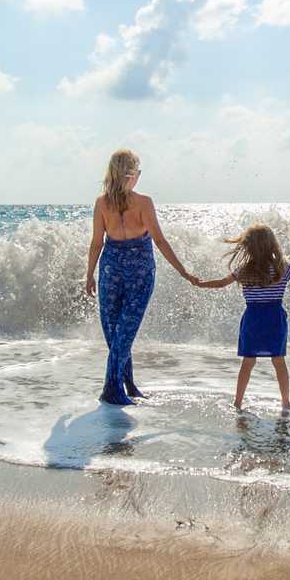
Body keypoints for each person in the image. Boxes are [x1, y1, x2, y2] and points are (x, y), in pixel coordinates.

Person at [83, 149, 195, 405]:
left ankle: (127, 384)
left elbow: (96, 243)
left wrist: (89, 274)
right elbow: (159, 240)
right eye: (139, 172)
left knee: (119, 332)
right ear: (131, 175)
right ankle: (113, 388)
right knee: (121, 332)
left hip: (111, 269)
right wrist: (183, 271)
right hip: (138, 271)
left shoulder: (102, 203)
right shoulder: (143, 202)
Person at [196, 224, 290, 411]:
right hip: (275, 320)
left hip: (253, 320)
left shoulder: (243, 270)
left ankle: (238, 402)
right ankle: (286, 402)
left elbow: (220, 284)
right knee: (279, 361)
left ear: (247, 246)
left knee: (248, 362)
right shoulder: (282, 268)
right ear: (273, 245)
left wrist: (199, 283)